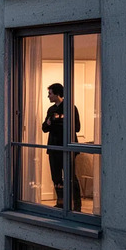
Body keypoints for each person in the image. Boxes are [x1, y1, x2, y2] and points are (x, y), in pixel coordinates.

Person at [41, 83, 82, 211]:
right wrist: (52, 123)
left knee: (71, 176)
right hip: (54, 148)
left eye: (50, 93)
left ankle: (77, 205)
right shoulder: (51, 110)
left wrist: (54, 123)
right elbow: (44, 128)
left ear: (58, 94)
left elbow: (76, 127)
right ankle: (61, 202)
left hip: (67, 148)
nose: (48, 96)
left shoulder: (70, 108)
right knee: (56, 177)